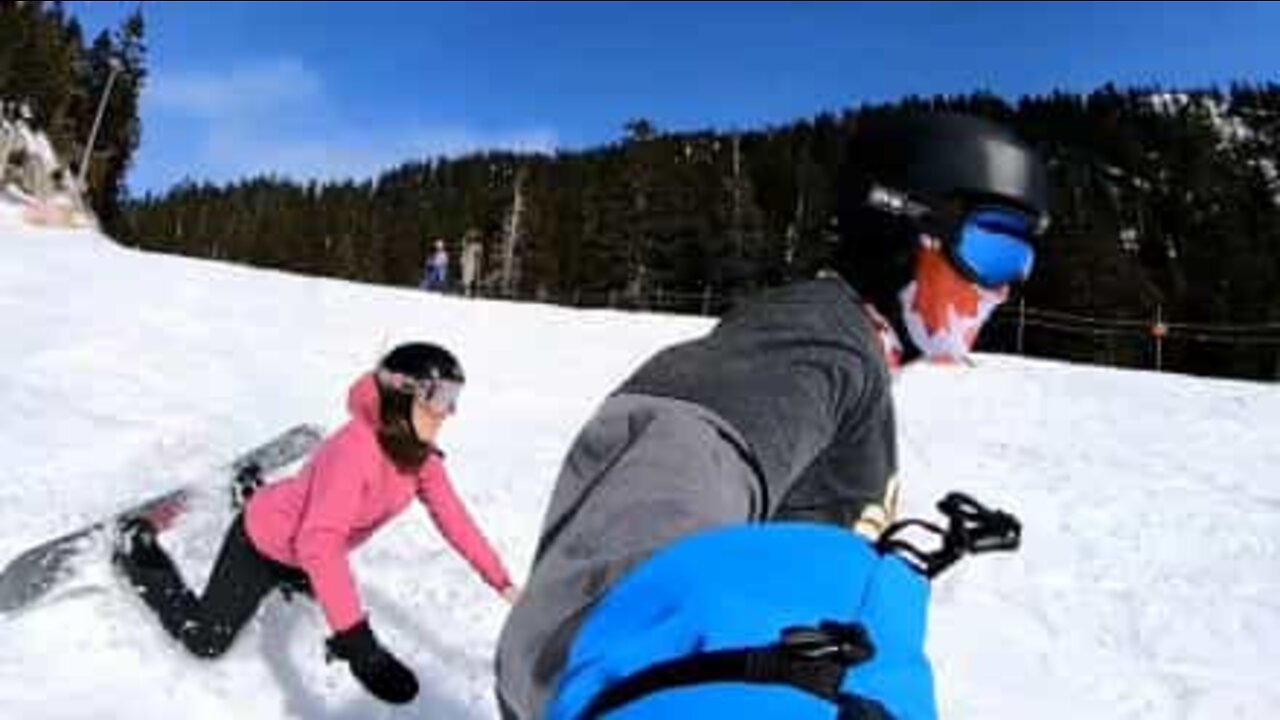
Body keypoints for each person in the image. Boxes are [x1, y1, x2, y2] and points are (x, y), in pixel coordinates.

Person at [494, 112, 1049, 718]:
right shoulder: (816, 339)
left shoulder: (853, 356)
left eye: (1023, 263)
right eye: (994, 249)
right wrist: (638, 677)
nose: (1006, 288)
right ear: (899, 224)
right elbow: (669, 473)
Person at [114, 342, 520, 706]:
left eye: (455, 396)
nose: (449, 411)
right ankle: (137, 548)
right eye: (441, 396)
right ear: (403, 393)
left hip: (301, 545)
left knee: (321, 577)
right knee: (205, 641)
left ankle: (252, 489)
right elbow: (320, 543)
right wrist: (360, 647)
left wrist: (503, 582)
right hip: (263, 543)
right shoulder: (354, 451)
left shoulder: (419, 457)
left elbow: (455, 520)